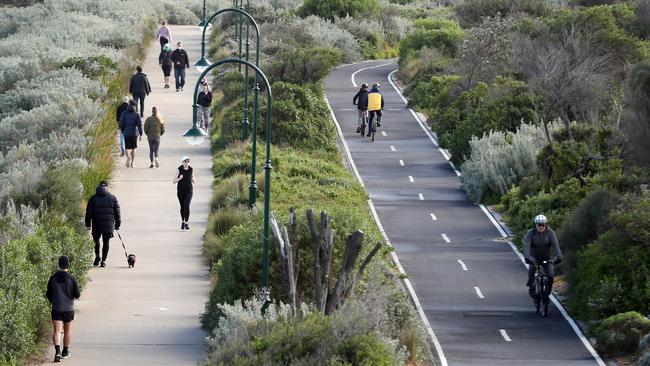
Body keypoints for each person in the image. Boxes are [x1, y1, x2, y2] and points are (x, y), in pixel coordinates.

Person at [46, 256, 81, 362]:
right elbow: (77, 294)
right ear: (68, 265)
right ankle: (65, 351)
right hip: (68, 309)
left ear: (59, 265)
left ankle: (57, 352)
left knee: (57, 331)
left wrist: (53, 300)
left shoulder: (52, 278)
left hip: (56, 308)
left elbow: (48, 294)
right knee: (67, 331)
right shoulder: (71, 278)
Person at [523, 214, 563, 297]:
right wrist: (527, 257)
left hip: (546, 257)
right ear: (536, 225)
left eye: (543, 225)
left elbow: (556, 246)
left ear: (546, 225)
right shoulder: (531, 233)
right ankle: (531, 288)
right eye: (539, 225)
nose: (541, 227)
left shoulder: (550, 233)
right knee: (532, 270)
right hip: (534, 257)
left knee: (551, 275)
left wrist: (558, 257)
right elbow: (526, 246)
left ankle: (548, 290)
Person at [85, 181, 121, 267]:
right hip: (108, 225)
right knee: (106, 242)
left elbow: (88, 212)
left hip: (96, 224)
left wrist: (88, 223)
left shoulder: (93, 198)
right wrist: (117, 224)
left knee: (96, 241)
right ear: (107, 187)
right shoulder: (113, 198)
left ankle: (97, 256)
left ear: (99, 187)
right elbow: (117, 213)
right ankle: (103, 261)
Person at [173, 156, 195, 230]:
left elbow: (192, 178)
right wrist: (180, 178)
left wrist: (193, 180)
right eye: (185, 161)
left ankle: (186, 223)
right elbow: (174, 181)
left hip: (189, 190)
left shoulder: (191, 169)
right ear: (182, 162)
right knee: (182, 207)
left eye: (188, 161)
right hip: (181, 190)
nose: (186, 163)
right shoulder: (179, 169)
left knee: (187, 205)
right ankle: (182, 221)